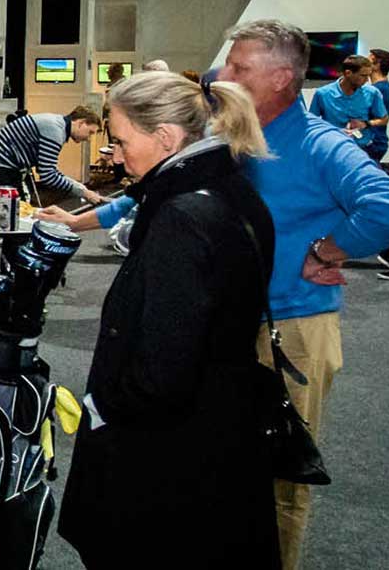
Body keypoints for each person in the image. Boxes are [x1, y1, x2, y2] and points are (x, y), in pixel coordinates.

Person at [45, 20, 389, 570]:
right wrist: (83, 220)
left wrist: (326, 252)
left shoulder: (318, 144)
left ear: (283, 76)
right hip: (224, 326)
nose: (223, 75)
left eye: (240, 67)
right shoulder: (225, 146)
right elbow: (151, 189)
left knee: (277, 477)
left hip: (292, 325)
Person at [58, 71, 280, 569]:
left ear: (165, 137)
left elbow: (163, 367)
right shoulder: (234, 192)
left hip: (171, 452)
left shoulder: (181, 217)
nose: (114, 154)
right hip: (220, 431)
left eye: (120, 140)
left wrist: (103, 406)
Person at [0, 105, 107, 206]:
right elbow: (48, 176)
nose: (88, 138)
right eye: (90, 132)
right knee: (17, 217)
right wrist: (84, 192)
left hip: (2, 167)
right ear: (81, 123)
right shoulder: (55, 131)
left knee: (19, 214)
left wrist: (82, 189)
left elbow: (48, 170)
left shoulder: (57, 124)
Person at [306, 55, 387, 153]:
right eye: (363, 76)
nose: (367, 80)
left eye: (368, 76)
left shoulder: (372, 93)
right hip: (332, 148)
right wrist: (332, 131)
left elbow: (384, 119)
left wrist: (366, 123)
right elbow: (311, 123)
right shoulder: (323, 94)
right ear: (348, 73)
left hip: (362, 149)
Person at [364, 49, 389, 163]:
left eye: (367, 62)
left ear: (376, 65)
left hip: (373, 141)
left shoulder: (377, 89)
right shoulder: (382, 86)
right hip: (376, 140)